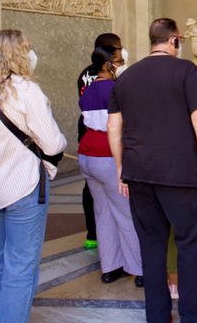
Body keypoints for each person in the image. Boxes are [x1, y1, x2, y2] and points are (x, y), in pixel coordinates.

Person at [107, 18, 197, 323]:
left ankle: (157, 317)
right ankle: (190, 316)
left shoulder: (125, 77)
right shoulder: (186, 70)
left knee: (152, 247)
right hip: (182, 174)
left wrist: (121, 169)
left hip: (138, 173)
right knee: (191, 244)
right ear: (174, 41)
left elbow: (113, 126)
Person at [0, 30, 67, 323]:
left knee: (2, 258)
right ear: (17, 53)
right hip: (24, 187)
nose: (32, 54)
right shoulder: (25, 91)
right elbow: (53, 143)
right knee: (21, 266)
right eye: (28, 48)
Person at [78, 45, 143, 287]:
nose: (121, 64)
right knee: (126, 214)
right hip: (108, 157)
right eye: (119, 60)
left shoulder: (88, 88)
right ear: (108, 64)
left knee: (102, 212)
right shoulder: (117, 89)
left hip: (87, 156)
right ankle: (138, 269)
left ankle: (110, 267)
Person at [77, 33, 125, 249]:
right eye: (119, 55)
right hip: (107, 148)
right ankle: (135, 266)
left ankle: (97, 242)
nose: (122, 59)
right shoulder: (113, 85)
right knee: (124, 212)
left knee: (100, 206)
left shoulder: (86, 79)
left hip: (87, 147)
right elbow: (118, 122)